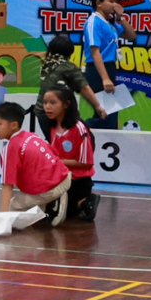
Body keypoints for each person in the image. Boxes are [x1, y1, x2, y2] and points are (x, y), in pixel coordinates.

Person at [0, 102, 72, 225]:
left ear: (14, 125)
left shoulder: (10, 148)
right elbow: (54, 153)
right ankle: (46, 204)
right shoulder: (31, 135)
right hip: (65, 177)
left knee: (13, 208)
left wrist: (2, 219)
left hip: (50, 188)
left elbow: (7, 186)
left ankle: (52, 204)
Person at [42, 85, 98, 223]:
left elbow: (86, 162)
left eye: (53, 103)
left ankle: (84, 200)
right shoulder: (52, 126)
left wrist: (57, 161)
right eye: (45, 102)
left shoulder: (79, 128)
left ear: (66, 104)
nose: (47, 107)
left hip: (77, 181)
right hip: (59, 177)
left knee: (67, 213)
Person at [36, 37, 105, 137]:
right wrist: (97, 105)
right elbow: (83, 87)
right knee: (75, 138)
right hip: (58, 114)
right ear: (70, 52)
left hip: (42, 113)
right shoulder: (68, 67)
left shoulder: (48, 66)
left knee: (55, 142)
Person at [83, 0, 126, 129]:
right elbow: (95, 51)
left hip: (110, 67)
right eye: (111, 1)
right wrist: (105, 78)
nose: (115, 4)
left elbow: (131, 35)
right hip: (98, 70)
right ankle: (78, 127)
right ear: (99, 3)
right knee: (106, 114)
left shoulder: (109, 23)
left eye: (116, 1)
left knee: (109, 112)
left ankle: (95, 136)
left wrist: (120, 17)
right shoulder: (93, 21)